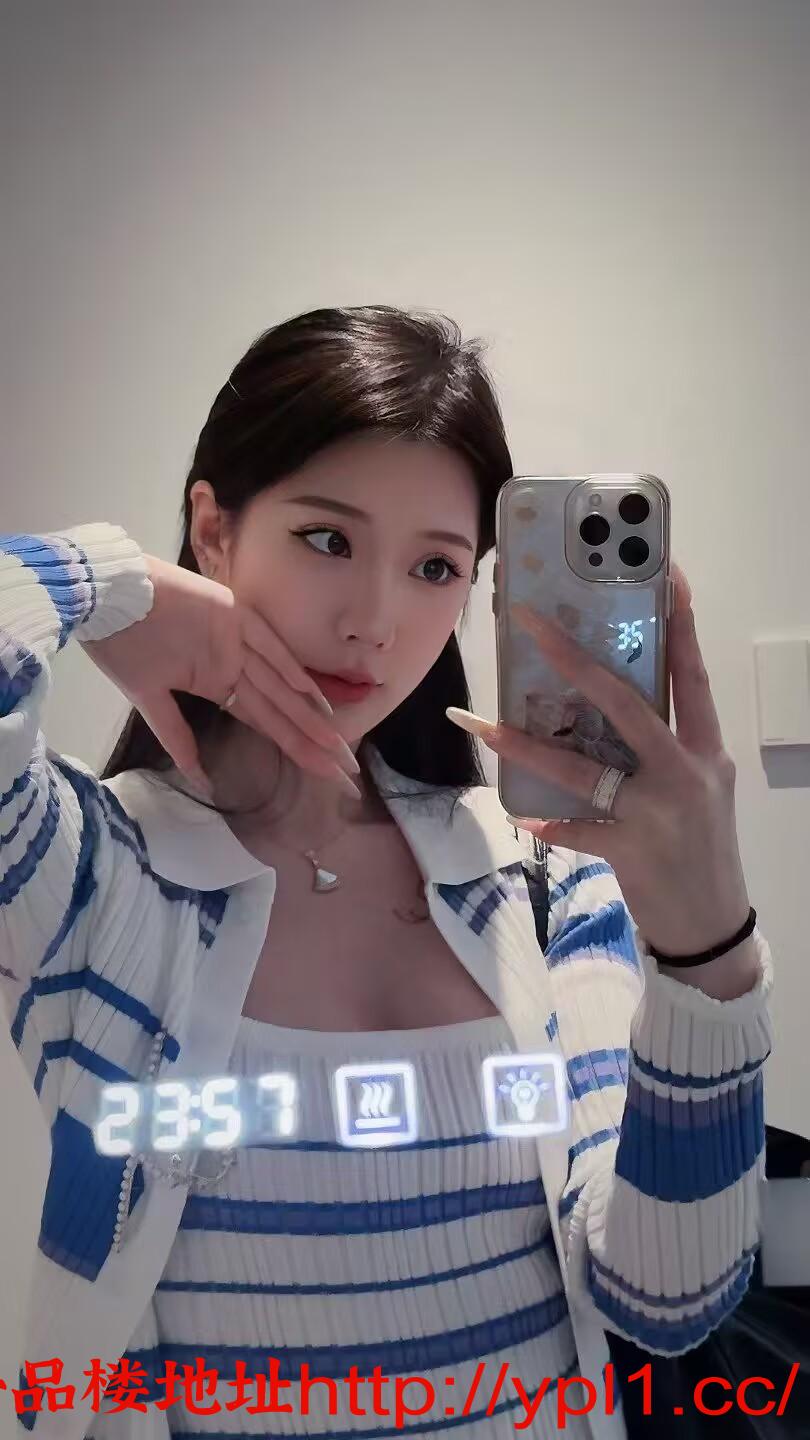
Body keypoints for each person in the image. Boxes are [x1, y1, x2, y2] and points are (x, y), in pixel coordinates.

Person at [0, 305, 773, 1440]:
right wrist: (109, 584)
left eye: (434, 567)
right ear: (213, 529)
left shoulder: (543, 878)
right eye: (328, 539)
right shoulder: (87, 871)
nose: (374, 620)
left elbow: (668, 1301)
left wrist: (710, 950)